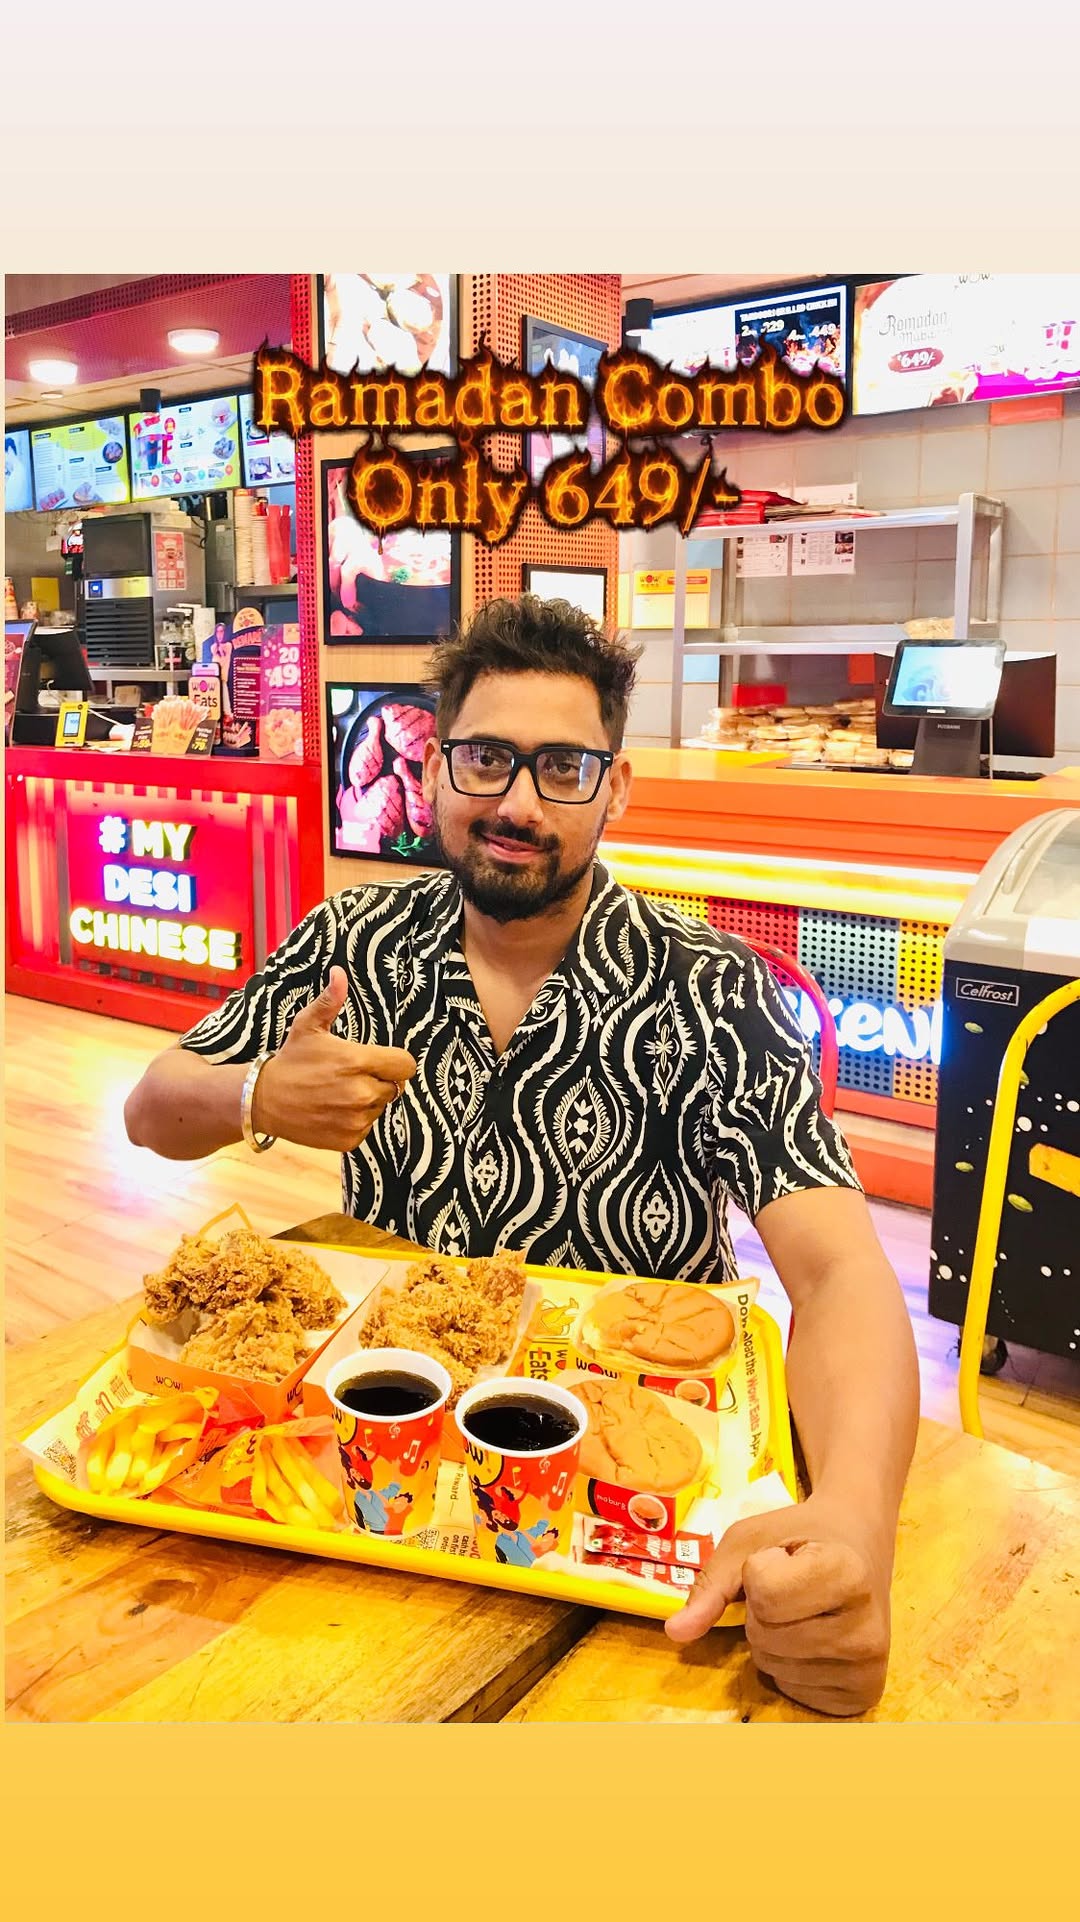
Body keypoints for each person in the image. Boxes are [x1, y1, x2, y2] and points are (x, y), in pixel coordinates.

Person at [125, 593, 919, 1715]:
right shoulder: (354, 942)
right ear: (434, 768)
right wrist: (255, 1091)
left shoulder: (713, 989)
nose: (516, 804)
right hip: (377, 1478)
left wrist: (855, 1520)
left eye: (564, 768)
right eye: (487, 758)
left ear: (616, 787)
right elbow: (150, 1112)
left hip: (624, 1498)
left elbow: (840, 1272)